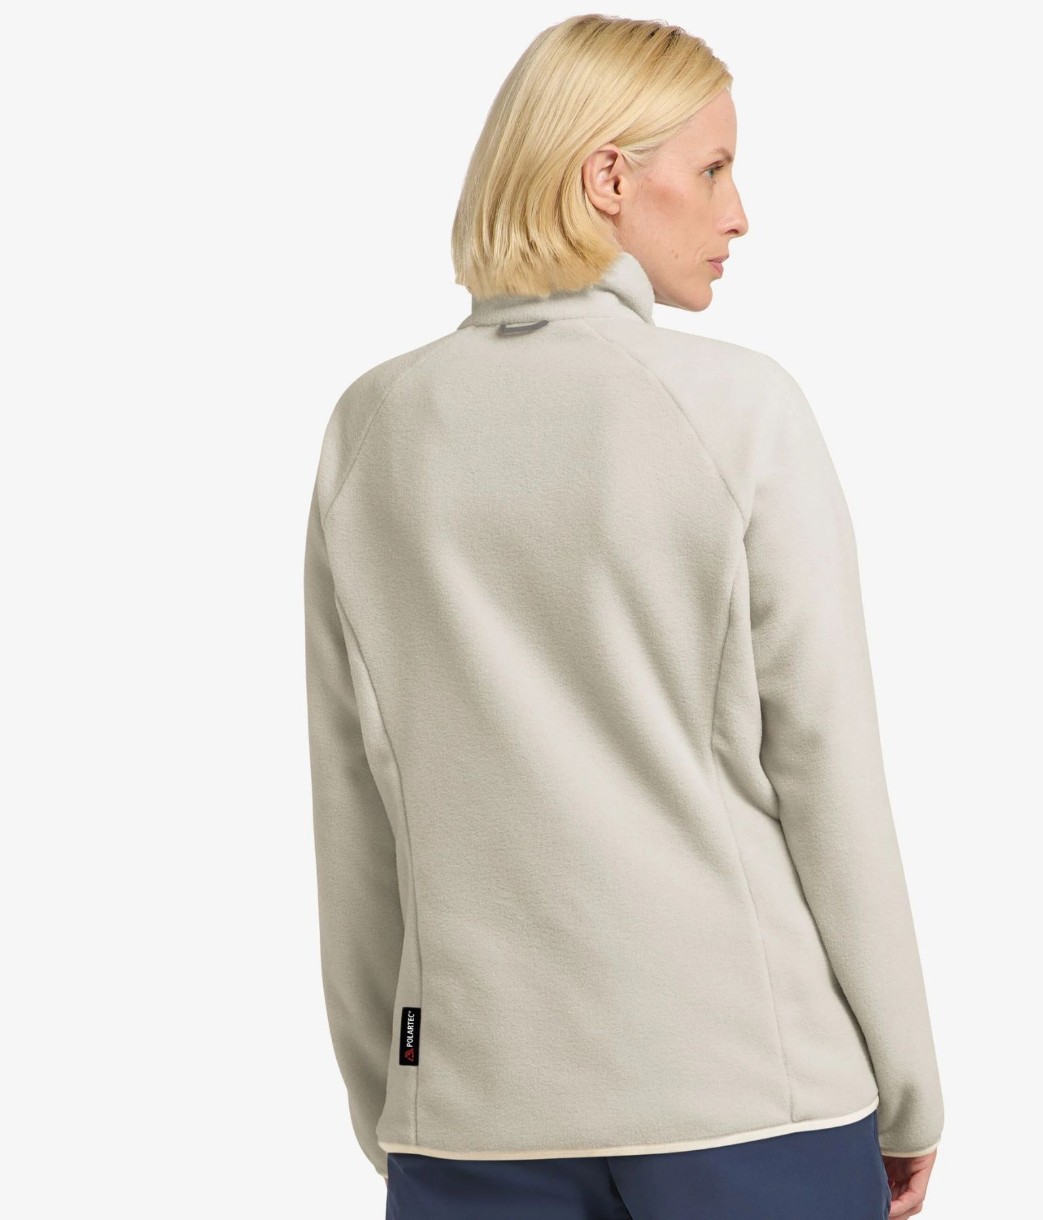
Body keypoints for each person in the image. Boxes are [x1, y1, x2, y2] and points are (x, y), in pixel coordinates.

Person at [303, 14, 944, 1219]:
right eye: (711, 169)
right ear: (607, 178)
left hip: (473, 1110)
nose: (738, 213)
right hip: (749, 1097)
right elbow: (826, 772)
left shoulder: (371, 426)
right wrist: (906, 1091)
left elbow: (357, 791)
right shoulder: (737, 410)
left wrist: (393, 1097)